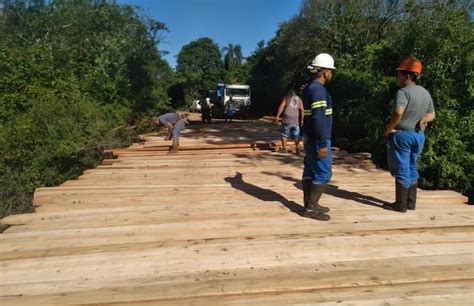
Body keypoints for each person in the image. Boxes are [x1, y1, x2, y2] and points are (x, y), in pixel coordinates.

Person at [383, 57, 435, 213]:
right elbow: (432, 114)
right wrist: (424, 119)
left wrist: (389, 129)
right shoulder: (425, 93)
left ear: (407, 75)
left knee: (401, 168)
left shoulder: (403, 92)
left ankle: (400, 204)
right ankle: (411, 203)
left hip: (403, 136)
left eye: (399, 73)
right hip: (419, 136)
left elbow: (398, 111)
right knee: (412, 166)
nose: (397, 76)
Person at [300, 53, 336, 221]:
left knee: (310, 170)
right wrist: (322, 143)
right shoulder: (318, 90)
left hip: (310, 136)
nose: (331, 74)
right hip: (318, 139)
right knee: (323, 172)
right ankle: (311, 207)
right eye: (331, 71)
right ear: (324, 71)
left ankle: (309, 202)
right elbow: (318, 117)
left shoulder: (309, 88)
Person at [275, 88, 304, 154]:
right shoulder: (299, 99)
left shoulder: (287, 97)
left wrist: (277, 116)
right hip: (295, 120)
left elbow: (282, 106)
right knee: (296, 135)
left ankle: (284, 148)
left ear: (289, 93)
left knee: (284, 134)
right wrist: (302, 120)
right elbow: (302, 110)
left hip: (286, 119)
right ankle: (297, 149)